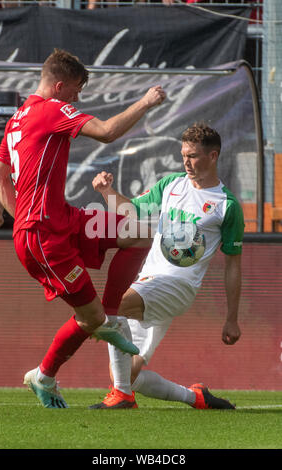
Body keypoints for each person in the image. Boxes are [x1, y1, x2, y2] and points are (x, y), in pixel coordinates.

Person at [0, 48, 165, 408]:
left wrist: (15, 213)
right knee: (90, 319)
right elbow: (105, 132)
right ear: (59, 86)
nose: (78, 98)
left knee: (138, 231)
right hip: (43, 236)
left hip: (64, 220)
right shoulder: (52, 109)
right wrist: (146, 102)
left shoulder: (17, 118)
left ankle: (110, 315)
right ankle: (45, 374)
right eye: (75, 89)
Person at [89, 122, 244, 410]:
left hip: (178, 286)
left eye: (193, 156)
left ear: (213, 156)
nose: (186, 161)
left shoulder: (227, 205)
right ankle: (196, 397)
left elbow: (233, 265)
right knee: (126, 373)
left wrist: (231, 318)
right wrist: (106, 192)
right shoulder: (171, 185)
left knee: (108, 309)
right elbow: (132, 211)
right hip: (148, 281)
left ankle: (120, 398)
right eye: (183, 154)